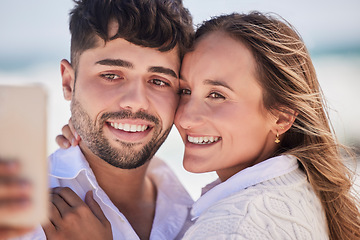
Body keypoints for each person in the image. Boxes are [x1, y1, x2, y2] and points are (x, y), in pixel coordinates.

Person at [59, 11, 360, 239]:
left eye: (217, 95)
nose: (186, 117)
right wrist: (105, 136)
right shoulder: (298, 187)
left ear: (281, 117)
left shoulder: (234, 227)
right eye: (186, 91)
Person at [0, 0, 195, 239]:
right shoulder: (16, 213)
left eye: (158, 81)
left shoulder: (198, 214)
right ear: (69, 82)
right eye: (111, 75)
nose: (136, 101)